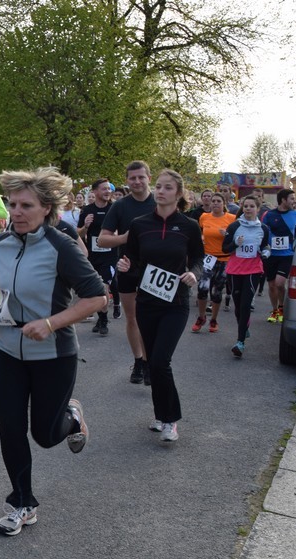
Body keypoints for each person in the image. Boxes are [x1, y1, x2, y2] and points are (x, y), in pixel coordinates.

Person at [0, 167, 105, 536]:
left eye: (26, 205)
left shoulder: (61, 246)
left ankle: (72, 418)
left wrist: (50, 323)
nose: (16, 211)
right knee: (10, 428)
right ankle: (22, 503)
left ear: (46, 208)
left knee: (44, 435)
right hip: (7, 350)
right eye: (12, 204)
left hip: (53, 354)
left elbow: (97, 297)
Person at [116, 169, 204, 443]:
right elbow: (132, 261)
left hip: (176, 303)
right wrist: (124, 266)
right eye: (159, 186)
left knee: (160, 360)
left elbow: (199, 260)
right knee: (153, 363)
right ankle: (159, 415)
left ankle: (170, 420)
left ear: (178, 194)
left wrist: (193, 274)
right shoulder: (140, 224)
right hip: (147, 302)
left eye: (167, 187)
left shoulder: (189, 226)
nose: (161, 191)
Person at [97, 161, 155, 385]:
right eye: (133, 178)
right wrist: (125, 238)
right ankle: (139, 361)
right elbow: (102, 239)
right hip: (128, 268)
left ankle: (151, 361)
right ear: (127, 181)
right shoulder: (120, 206)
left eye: (141, 177)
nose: (137, 182)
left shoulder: (159, 202)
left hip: (156, 271)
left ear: (149, 178)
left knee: (152, 319)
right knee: (133, 318)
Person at [223, 195, 270, 357]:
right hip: (235, 270)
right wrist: (235, 243)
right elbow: (225, 248)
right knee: (238, 306)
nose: (248, 209)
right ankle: (244, 327)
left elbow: (265, 246)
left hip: (253, 270)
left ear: (258, 209)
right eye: (246, 206)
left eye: (252, 206)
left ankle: (240, 342)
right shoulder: (234, 226)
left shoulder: (263, 228)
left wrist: (266, 252)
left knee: (245, 305)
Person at [191, 194, 236, 334]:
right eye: (213, 201)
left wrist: (227, 235)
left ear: (224, 203)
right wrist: (201, 238)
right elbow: (199, 232)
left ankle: (214, 320)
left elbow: (237, 239)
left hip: (224, 259)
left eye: (218, 201)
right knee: (202, 288)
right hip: (208, 258)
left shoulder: (231, 218)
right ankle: (201, 317)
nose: (215, 203)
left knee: (217, 291)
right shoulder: (204, 217)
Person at [77, 178, 116, 335]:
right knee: (95, 289)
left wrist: (115, 235)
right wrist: (85, 226)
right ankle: (101, 317)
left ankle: (104, 319)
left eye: (109, 189)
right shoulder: (87, 210)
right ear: (94, 191)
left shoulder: (114, 209)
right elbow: (78, 234)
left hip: (110, 256)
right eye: (104, 189)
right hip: (92, 256)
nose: (108, 191)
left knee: (104, 287)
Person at [261, 189, 296, 324]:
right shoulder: (269, 215)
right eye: (291, 198)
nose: (294, 201)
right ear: (283, 200)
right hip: (271, 255)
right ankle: (274, 310)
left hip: (287, 254)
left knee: (280, 283)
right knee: (272, 285)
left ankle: (282, 307)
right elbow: (263, 231)